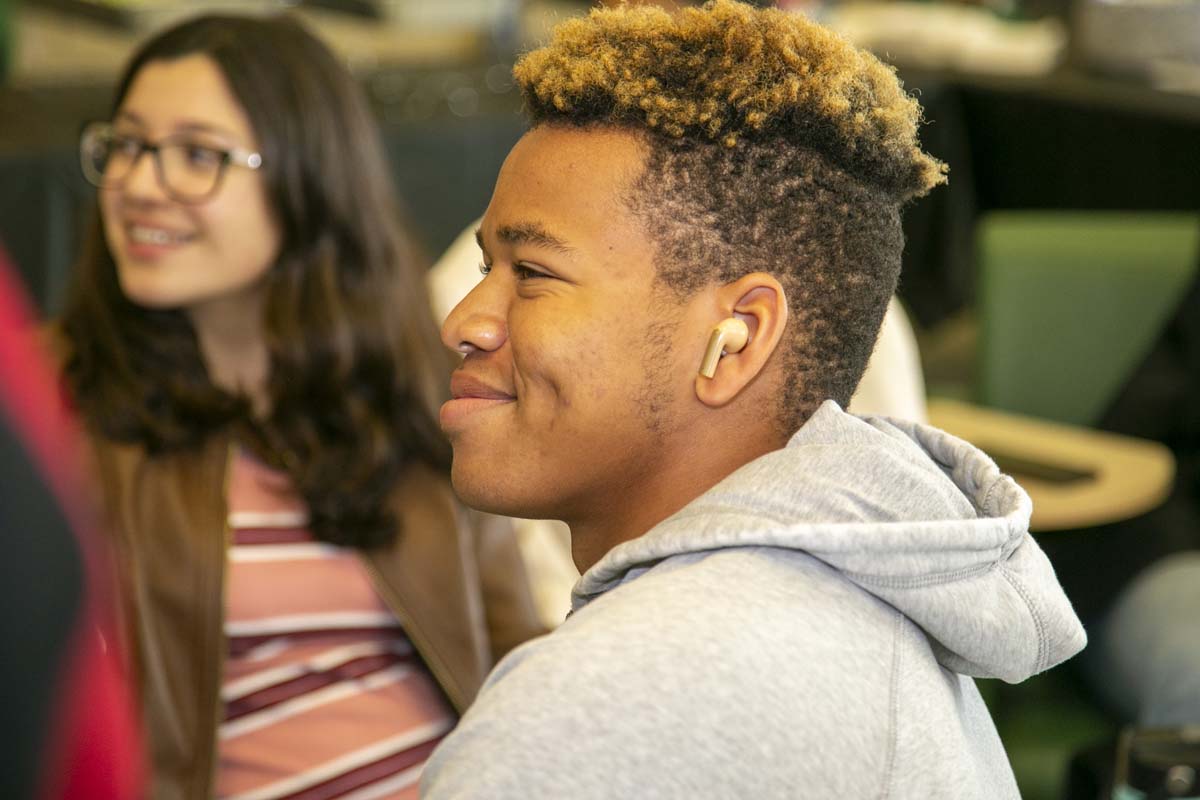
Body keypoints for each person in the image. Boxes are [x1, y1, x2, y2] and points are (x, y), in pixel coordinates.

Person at [419, 2, 1087, 797]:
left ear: (737, 338)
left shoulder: (601, 713)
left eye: (532, 274)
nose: (463, 323)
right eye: (485, 268)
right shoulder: (852, 594)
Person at [56, 13, 543, 799]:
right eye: (129, 146)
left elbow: (513, 646)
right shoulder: (55, 405)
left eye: (198, 155)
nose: (140, 185)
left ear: (307, 179)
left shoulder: (407, 375)